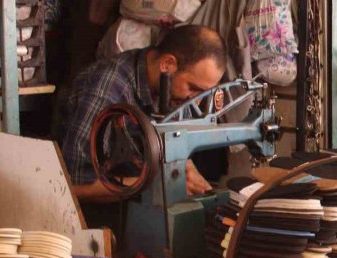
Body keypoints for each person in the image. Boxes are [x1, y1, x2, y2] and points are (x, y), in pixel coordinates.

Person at [59, 25, 227, 206]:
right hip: (88, 214)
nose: (196, 101)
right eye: (193, 88)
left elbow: (172, 148)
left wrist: (186, 169)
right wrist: (154, 185)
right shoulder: (107, 89)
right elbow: (74, 184)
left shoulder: (175, 92)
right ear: (167, 65)